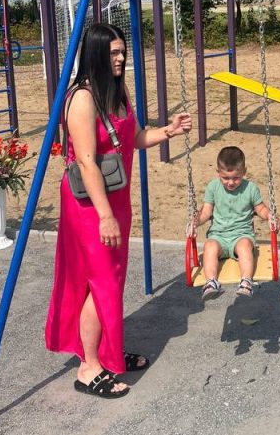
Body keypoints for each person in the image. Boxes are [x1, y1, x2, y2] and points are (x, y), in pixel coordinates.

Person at [45, 22, 191, 399]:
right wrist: (105, 215)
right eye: (113, 52)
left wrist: (169, 131)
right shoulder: (82, 99)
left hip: (115, 199)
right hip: (90, 206)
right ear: (95, 54)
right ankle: (89, 367)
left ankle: (108, 348)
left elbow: (136, 137)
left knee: (112, 278)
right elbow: (87, 162)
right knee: (101, 282)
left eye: (122, 51)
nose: (121, 58)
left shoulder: (117, 91)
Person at [194, 145, 280, 300]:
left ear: (244, 171)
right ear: (218, 172)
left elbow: (260, 208)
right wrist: (195, 222)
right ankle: (211, 282)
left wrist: (270, 216)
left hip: (242, 234)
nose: (231, 182)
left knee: (245, 246)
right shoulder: (213, 187)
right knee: (209, 246)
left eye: (236, 178)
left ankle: (246, 281)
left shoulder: (250, 188)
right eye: (225, 178)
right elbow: (206, 212)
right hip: (218, 235)